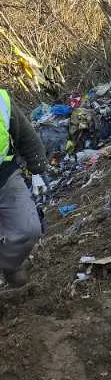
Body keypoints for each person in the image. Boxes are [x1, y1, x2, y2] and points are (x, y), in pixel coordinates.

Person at [0, 87, 49, 288]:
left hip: (5, 176)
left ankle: (9, 264)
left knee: (29, 229)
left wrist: (38, 169)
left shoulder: (1, 99)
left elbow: (27, 136)